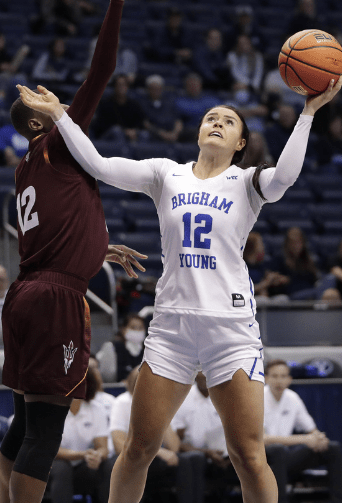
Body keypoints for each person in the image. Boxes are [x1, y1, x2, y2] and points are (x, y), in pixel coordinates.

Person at [17, 70, 342, 503]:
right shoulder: (166, 173)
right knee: (138, 449)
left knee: (247, 455)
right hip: (172, 328)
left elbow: (285, 177)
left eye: (228, 121)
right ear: (199, 132)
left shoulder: (248, 182)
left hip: (230, 330)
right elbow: (98, 165)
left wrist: (308, 113)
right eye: (211, 118)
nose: (217, 122)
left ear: (240, 144)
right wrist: (60, 115)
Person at [0, 3, 146, 503]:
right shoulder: (58, 143)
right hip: (53, 299)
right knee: (45, 433)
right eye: (49, 105)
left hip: (26, 292)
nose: (59, 104)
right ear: (38, 123)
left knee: (24, 425)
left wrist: (97, 247)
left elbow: (52, 231)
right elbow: (102, 69)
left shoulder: (26, 167)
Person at [110, 367, 205, 503]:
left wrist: (161, 413)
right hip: (133, 455)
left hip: (155, 457)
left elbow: (174, 447)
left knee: (192, 459)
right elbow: (119, 444)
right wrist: (158, 452)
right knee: (138, 463)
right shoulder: (122, 402)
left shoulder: (161, 403)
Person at [263, 360, 342, 503]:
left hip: (285, 458)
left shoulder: (292, 397)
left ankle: (339, 500)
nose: (279, 381)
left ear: (290, 379)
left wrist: (320, 439)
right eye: (275, 376)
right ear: (266, 378)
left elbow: (312, 430)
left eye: (283, 376)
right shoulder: (258, 397)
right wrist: (305, 439)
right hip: (264, 458)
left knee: (332, 448)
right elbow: (263, 439)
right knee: (277, 450)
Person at [48, 365, 112, 503]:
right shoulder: (49, 409)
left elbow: (103, 447)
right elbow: (50, 450)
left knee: (108, 466)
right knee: (62, 468)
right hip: (51, 466)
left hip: (83, 466)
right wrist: (82, 454)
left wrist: (97, 456)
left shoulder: (97, 409)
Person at [171, 372, 238, 500]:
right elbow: (176, 442)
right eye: (202, 369)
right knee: (196, 458)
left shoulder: (228, 395)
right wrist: (207, 453)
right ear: (195, 373)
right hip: (192, 453)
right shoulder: (181, 397)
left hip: (222, 452)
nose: (206, 374)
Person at [92, 74, 146, 142]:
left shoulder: (134, 104)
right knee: (116, 131)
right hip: (108, 137)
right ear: (114, 87)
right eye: (119, 85)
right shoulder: (105, 103)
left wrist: (134, 130)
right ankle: (122, 149)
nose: (121, 87)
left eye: (124, 85)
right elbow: (103, 125)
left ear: (128, 87)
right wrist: (124, 130)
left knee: (144, 134)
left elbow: (141, 121)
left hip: (129, 135)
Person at [96, 313, 146, 382]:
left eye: (140, 328)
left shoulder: (148, 351)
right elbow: (106, 377)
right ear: (124, 329)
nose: (137, 331)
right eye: (133, 327)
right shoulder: (112, 347)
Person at [138, 74, 183, 144]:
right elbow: (146, 124)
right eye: (153, 89)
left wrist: (175, 133)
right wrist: (163, 134)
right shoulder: (143, 104)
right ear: (148, 89)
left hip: (172, 133)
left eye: (158, 89)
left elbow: (178, 121)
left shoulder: (169, 102)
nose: (156, 91)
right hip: (154, 134)